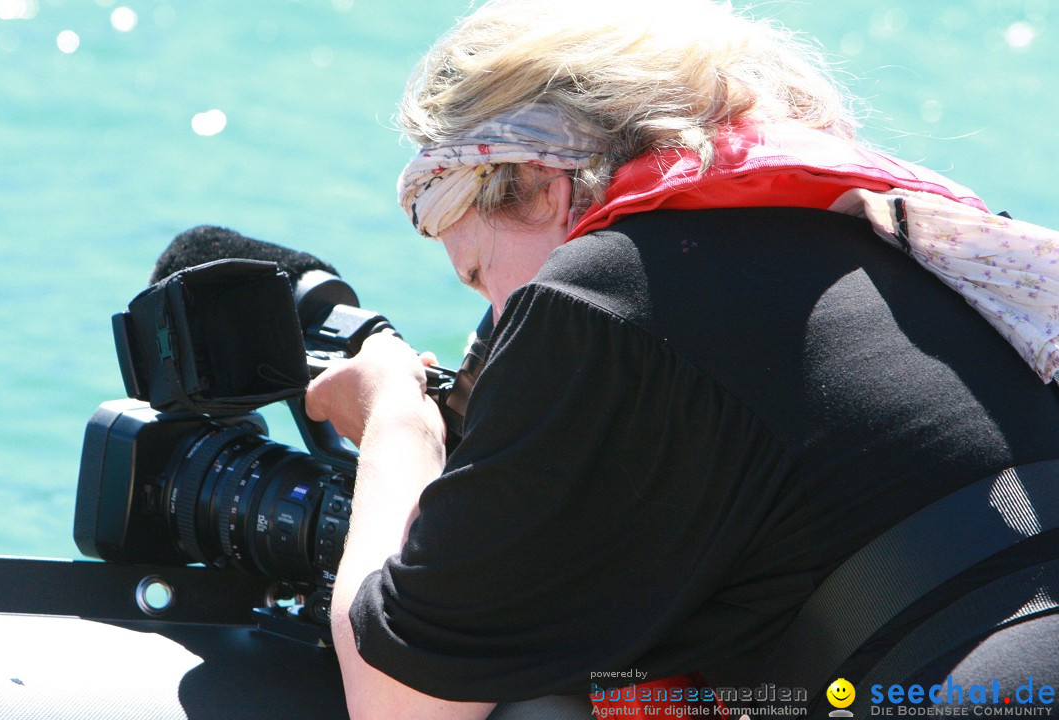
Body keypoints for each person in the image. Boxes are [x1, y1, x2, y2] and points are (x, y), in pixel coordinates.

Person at [305, 1, 1059, 718]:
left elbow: (399, 696)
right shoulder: (897, 244)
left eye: (476, 273)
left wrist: (397, 420)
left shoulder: (609, 289)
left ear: (540, 185)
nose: (496, 322)